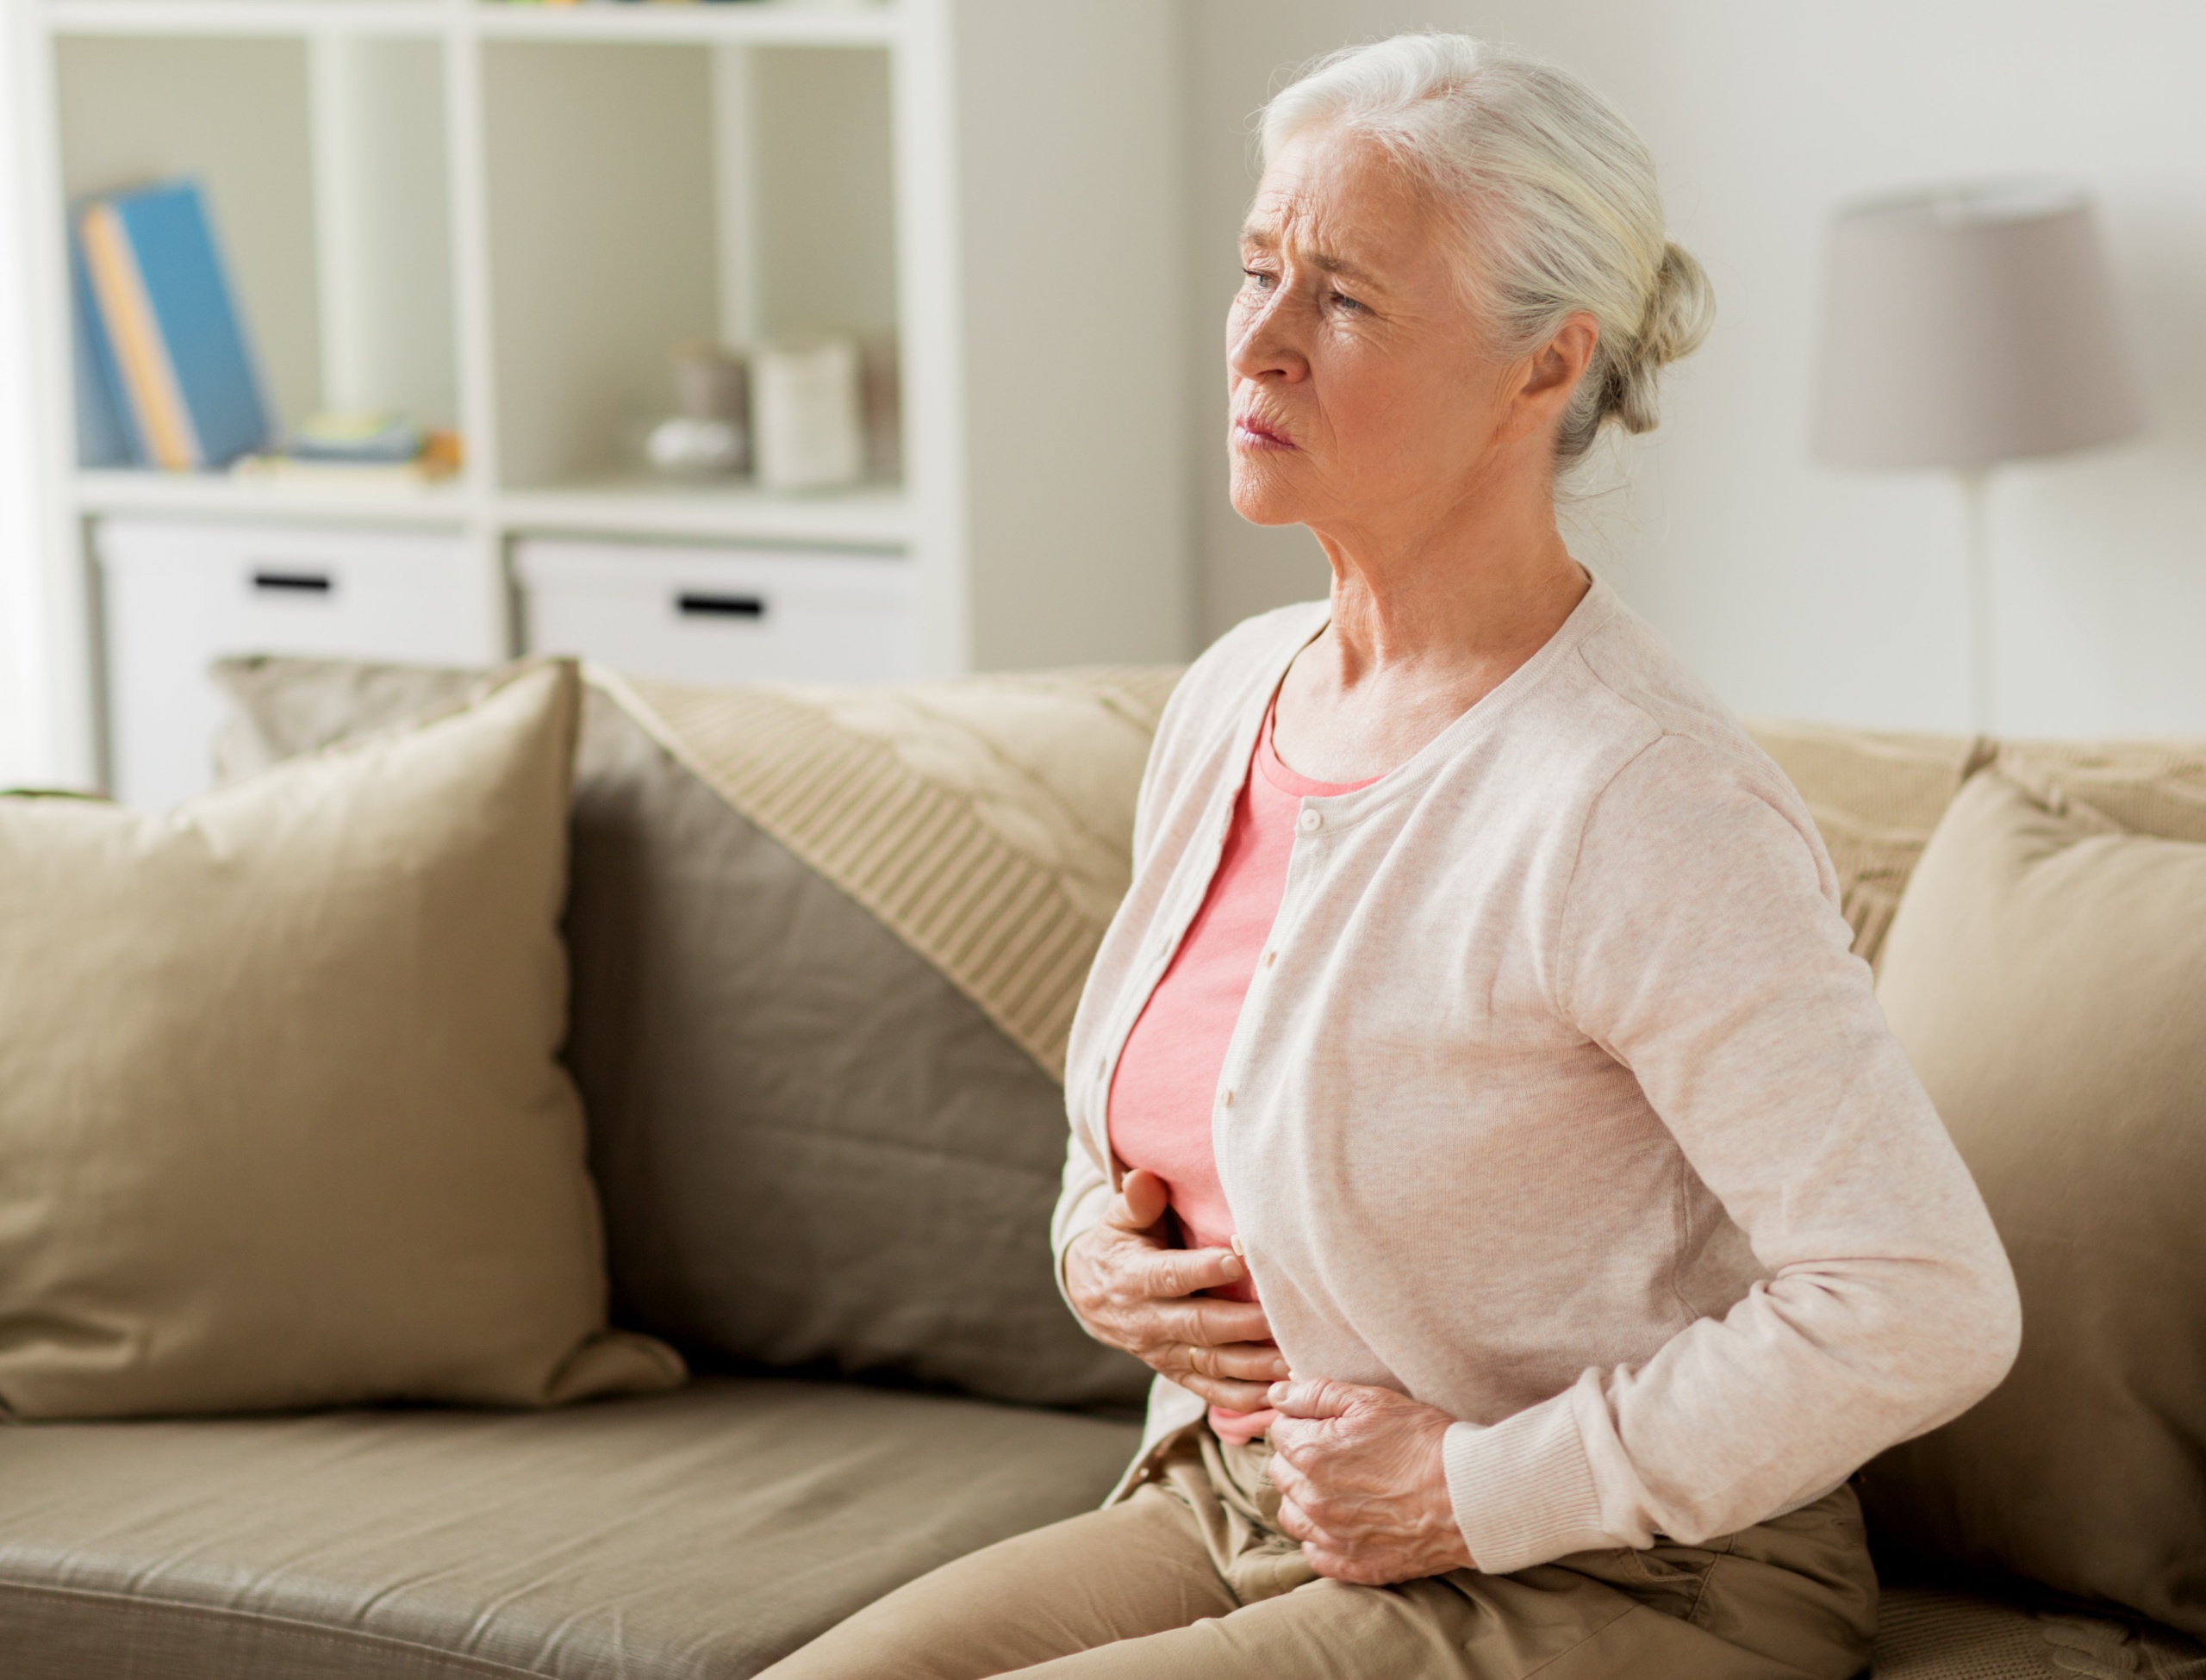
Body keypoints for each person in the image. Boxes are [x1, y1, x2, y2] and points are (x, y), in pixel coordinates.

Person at [763, 32, 2020, 1679]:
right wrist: (1102, 1256)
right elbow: (1152, 1135)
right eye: (1255, 272)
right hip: (1242, 1505)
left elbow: (1923, 1296)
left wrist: (1470, 1487)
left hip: (1629, 1574)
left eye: (1343, 299)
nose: (1260, 346)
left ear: (1542, 367)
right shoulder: (1234, 698)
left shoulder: (1635, 800)